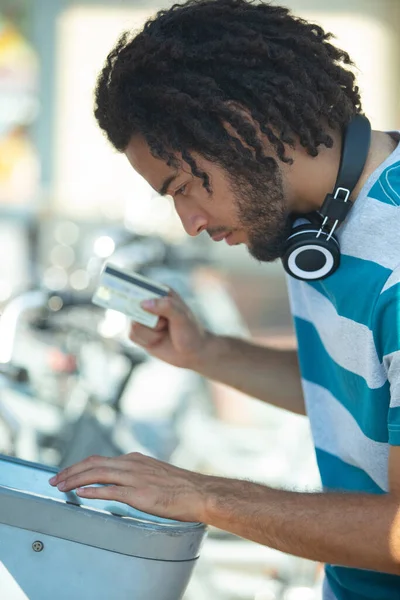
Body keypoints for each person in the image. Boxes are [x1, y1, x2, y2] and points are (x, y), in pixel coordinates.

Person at [48, 0, 400, 597]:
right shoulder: (312, 228)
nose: (187, 222)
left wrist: (203, 496)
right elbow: (358, 394)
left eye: (183, 186)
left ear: (241, 128)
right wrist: (208, 352)